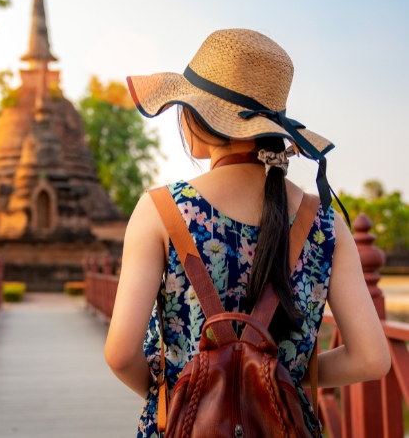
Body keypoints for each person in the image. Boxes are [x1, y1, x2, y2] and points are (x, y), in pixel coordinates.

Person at [104, 29, 390, 438]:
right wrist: (281, 378)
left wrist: (171, 390)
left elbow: (119, 355)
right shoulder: (325, 221)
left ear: (196, 116)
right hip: (283, 425)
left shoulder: (160, 211)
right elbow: (372, 359)